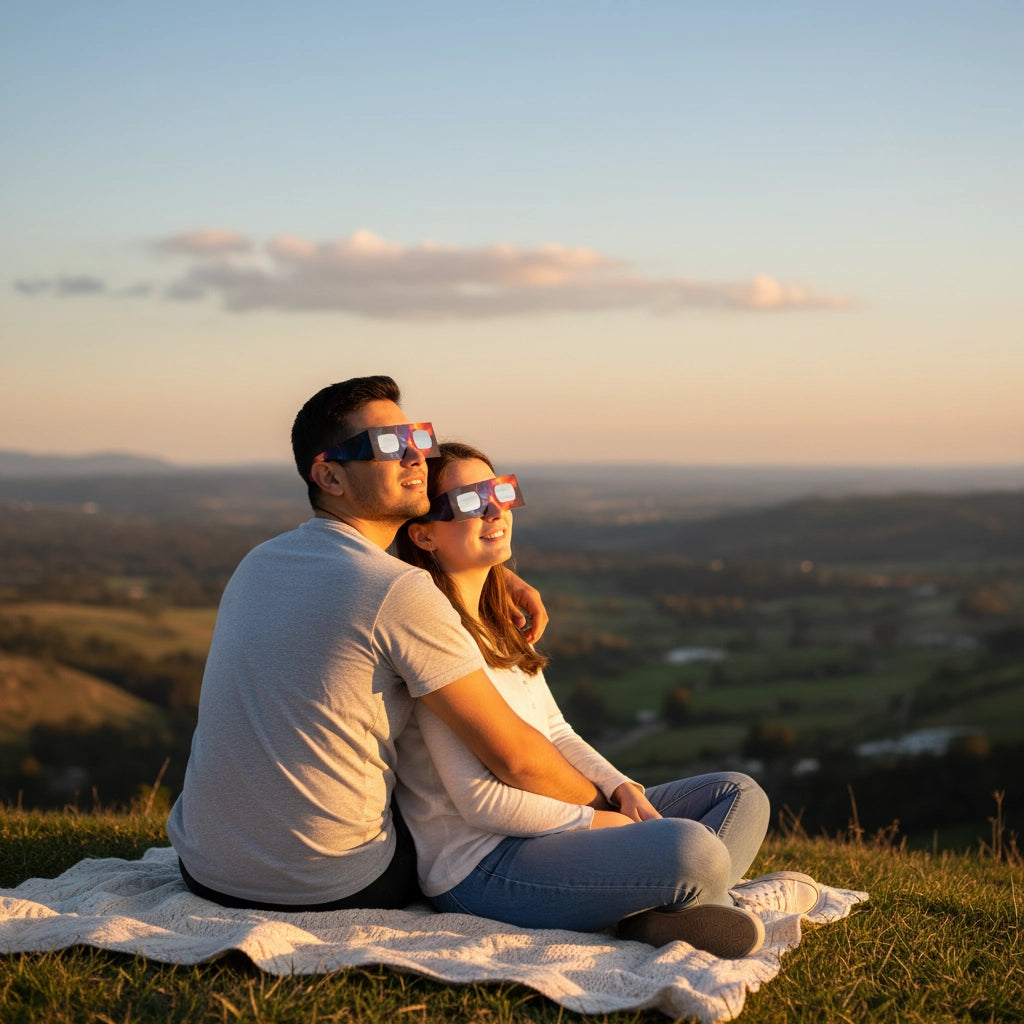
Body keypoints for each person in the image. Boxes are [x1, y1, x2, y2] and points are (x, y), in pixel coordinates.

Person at [167, 376, 613, 912]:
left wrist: (500, 576)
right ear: (328, 475)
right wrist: (610, 809)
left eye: (418, 438)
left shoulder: (260, 561)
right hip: (330, 884)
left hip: (204, 866)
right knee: (463, 815)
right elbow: (515, 758)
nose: (415, 456)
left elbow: (365, 589)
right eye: (386, 445)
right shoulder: (400, 591)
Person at [394, 442, 816, 957]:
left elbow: (556, 731)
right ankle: (703, 902)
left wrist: (622, 789)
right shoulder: (432, 635)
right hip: (486, 866)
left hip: (555, 831)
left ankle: (657, 917)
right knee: (692, 849)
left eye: (498, 492)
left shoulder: (497, 617)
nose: (493, 510)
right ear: (423, 533)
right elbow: (484, 804)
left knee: (739, 794)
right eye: (466, 501)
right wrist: (601, 820)